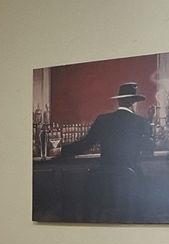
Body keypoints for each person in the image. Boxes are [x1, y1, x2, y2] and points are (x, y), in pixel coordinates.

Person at [56, 81, 157, 221]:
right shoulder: (141, 122)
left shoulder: (103, 120)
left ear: (119, 101)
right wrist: (151, 121)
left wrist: (62, 150)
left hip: (103, 183)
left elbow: (85, 144)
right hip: (129, 183)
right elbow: (149, 148)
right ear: (134, 103)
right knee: (149, 198)